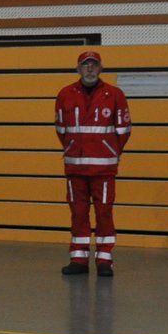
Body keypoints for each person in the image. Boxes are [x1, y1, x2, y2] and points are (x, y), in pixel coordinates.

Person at [54, 50, 131, 277]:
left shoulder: (115, 94)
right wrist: (71, 149)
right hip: (75, 166)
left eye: (94, 65)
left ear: (101, 69)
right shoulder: (65, 94)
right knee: (78, 212)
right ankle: (78, 258)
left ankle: (104, 259)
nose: (89, 68)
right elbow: (61, 129)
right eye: (85, 65)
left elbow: (124, 130)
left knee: (104, 212)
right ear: (78, 69)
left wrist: (110, 151)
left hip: (103, 167)